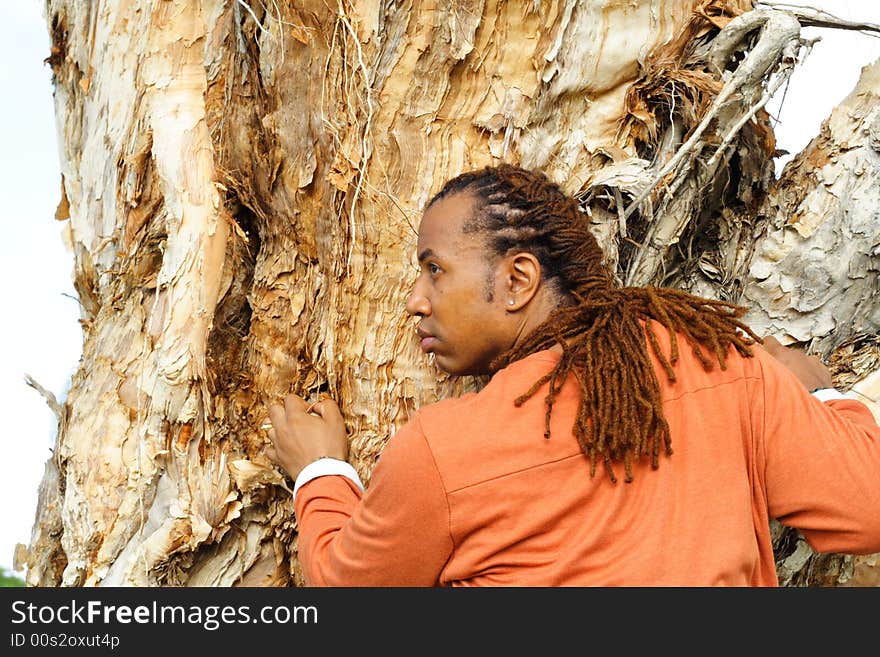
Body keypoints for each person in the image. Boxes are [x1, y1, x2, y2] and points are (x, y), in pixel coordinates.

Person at [264, 163, 880, 586]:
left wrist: (320, 472)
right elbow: (868, 505)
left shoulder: (440, 450)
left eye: (434, 269)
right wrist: (818, 391)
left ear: (518, 280)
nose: (415, 300)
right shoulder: (723, 365)